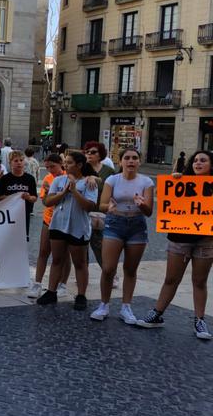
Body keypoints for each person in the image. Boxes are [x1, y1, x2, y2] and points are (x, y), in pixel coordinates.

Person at [136, 150, 213, 339]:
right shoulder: (180, 182)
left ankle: (200, 320)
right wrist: (174, 180)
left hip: (206, 240)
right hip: (180, 238)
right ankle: (157, 313)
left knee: (199, 281)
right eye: (195, 160)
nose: (198, 163)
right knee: (171, 279)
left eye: (203, 160)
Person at [90, 148, 154, 324]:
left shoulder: (146, 182)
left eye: (134, 158)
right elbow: (102, 204)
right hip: (114, 224)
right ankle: (104, 304)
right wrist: (108, 207)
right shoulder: (113, 179)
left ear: (139, 162)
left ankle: (126, 306)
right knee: (109, 268)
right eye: (127, 158)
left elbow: (149, 212)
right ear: (120, 162)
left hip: (137, 226)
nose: (131, 161)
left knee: (130, 269)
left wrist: (142, 205)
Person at [37, 151, 98, 310]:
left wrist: (74, 191)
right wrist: (64, 192)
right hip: (58, 225)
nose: (66, 165)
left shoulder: (88, 183)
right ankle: (51, 291)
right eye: (66, 162)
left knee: (80, 262)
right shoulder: (58, 180)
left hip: (78, 227)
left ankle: (81, 295)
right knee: (57, 259)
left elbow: (89, 206)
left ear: (79, 165)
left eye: (70, 163)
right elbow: (48, 201)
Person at [28, 153, 69, 299]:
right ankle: (37, 283)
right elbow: (45, 201)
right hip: (49, 218)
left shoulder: (67, 177)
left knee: (64, 255)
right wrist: (48, 193)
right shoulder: (47, 178)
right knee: (43, 251)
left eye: (52, 166)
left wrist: (52, 190)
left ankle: (62, 284)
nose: (50, 169)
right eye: (47, 167)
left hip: (64, 220)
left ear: (60, 164)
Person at [84, 141, 117, 286]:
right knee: (82, 247)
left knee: (100, 247)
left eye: (93, 152)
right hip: (84, 213)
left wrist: (96, 178)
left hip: (102, 215)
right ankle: (82, 275)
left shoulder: (109, 171)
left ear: (100, 155)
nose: (89, 154)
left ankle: (110, 274)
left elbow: (114, 189)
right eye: (87, 152)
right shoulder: (81, 168)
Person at [0, 151, 37, 240]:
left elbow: (34, 198)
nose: (19, 163)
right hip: (8, 216)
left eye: (21, 160)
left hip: (24, 216)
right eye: (16, 161)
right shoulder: (5, 179)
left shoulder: (30, 179)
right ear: (10, 163)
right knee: (7, 241)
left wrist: (28, 197)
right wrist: (12, 197)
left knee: (22, 241)